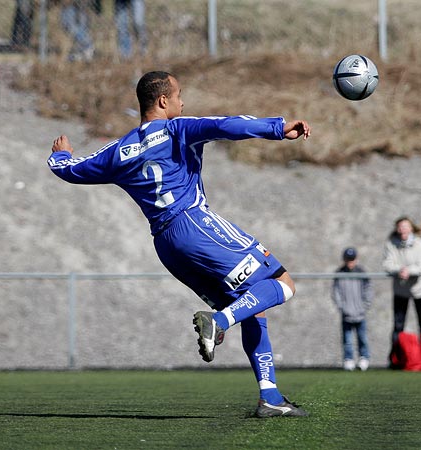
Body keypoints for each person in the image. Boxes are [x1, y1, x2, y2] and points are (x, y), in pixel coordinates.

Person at [47, 71, 311, 418]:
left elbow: (71, 170)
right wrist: (278, 128)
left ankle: (270, 396)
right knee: (281, 283)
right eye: (179, 95)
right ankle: (219, 321)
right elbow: (227, 125)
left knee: (252, 306)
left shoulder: (118, 151)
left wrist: (62, 156)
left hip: (167, 246)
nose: (182, 102)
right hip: (193, 223)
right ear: (163, 101)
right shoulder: (177, 129)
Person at [382, 216, 421, 363]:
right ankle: (395, 359)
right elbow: (387, 264)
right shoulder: (391, 244)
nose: (402, 229)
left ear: (411, 228)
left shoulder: (418, 243)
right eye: (400, 227)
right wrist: (400, 270)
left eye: (405, 226)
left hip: (418, 290)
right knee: (398, 326)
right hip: (400, 291)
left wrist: (410, 271)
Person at [332, 247, 373, 371]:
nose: (350, 262)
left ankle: (364, 357)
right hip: (347, 313)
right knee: (347, 339)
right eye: (348, 259)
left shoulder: (361, 272)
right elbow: (336, 292)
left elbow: (368, 290)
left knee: (362, 337)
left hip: (360, 312)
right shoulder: (339, 273)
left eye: (352, 259)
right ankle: (348, 359)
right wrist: (342, 307)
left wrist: (365, 305)